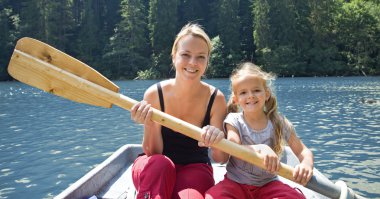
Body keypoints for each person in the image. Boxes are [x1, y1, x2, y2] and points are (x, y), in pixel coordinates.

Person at [130, 23, 227, 199]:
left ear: (207, 61)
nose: (192, 63)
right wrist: (150, 123)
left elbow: (220, 158)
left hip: (196, 167)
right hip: (154, 164)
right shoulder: (154, 94)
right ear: (174, 56)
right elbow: (152, 152)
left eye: (200, 57)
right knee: (161, 165)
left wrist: (217, 139)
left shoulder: (216, 99)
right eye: (185, 55)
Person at [205, 62, 314, 199]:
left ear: (266, 94)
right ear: (236, 99)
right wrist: (260, 148)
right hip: (235, 183)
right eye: (243, 92)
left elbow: (303, 151)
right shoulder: (233, 120)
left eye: (256, 90)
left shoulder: (278, 122)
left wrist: (306, 164)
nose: (250, 96)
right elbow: (234, 147)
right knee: (212, 196)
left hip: (268, 184)